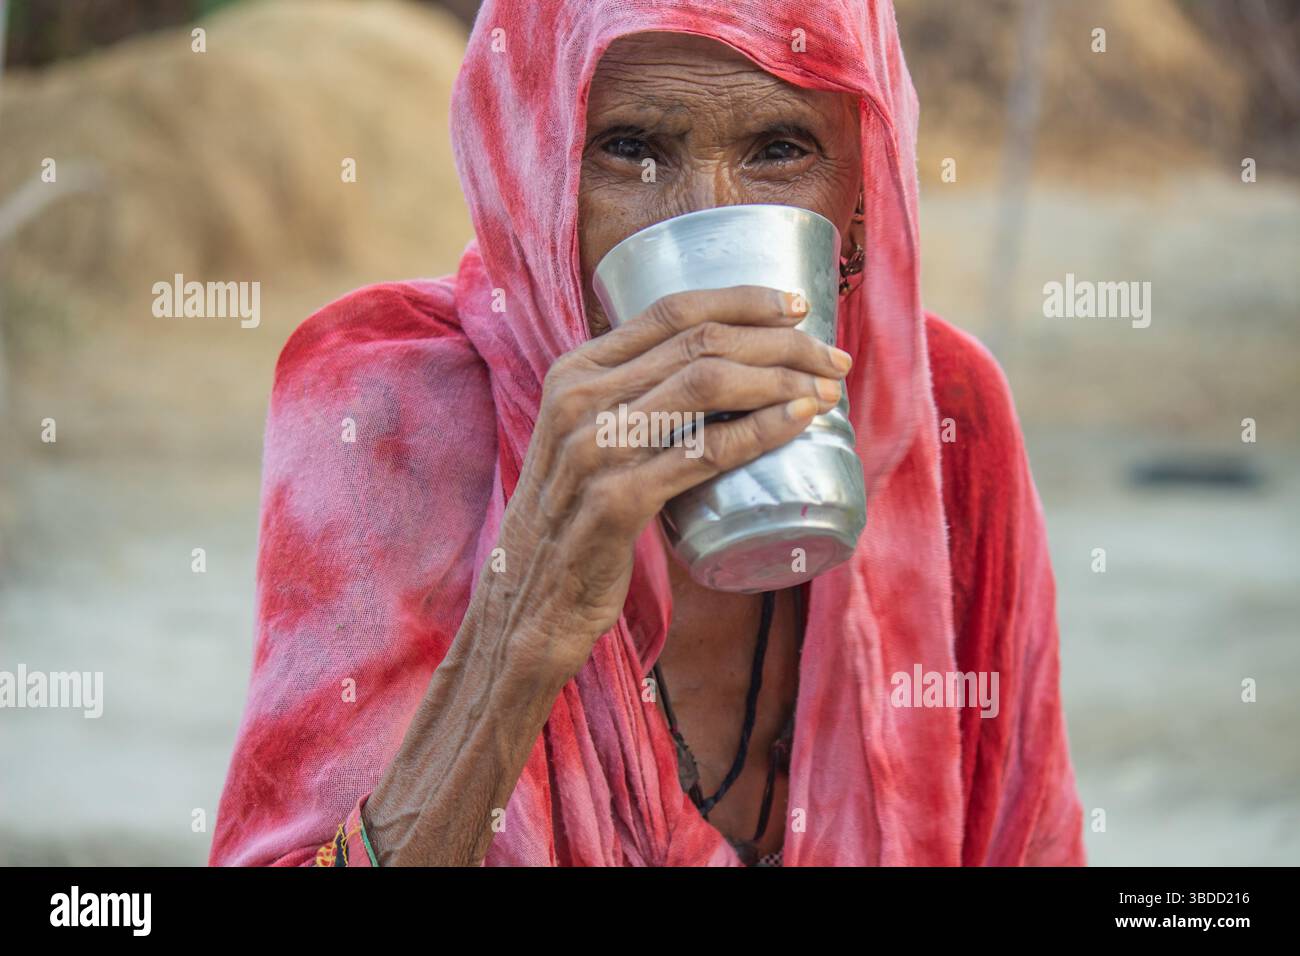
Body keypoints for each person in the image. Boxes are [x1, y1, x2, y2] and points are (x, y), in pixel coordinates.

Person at [210, 0, 1085, 867]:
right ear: (536, 178)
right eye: (631, 149)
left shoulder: (944, 414)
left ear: (861, 199)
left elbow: (1031, 839)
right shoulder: (388, 412)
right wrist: (524, 620)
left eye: (781, 149)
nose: (703, 223)